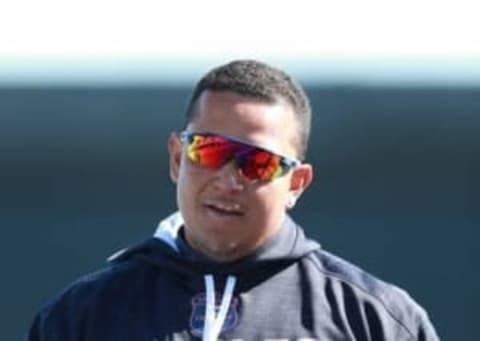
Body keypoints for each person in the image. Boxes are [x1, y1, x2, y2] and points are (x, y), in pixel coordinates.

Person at [27, 60, 440, 341]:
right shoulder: (82, 316)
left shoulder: (375, 320)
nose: (228, 180)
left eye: (257, 163)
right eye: (209, 151)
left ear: (296, 183)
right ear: (176, 157)